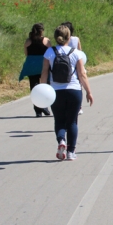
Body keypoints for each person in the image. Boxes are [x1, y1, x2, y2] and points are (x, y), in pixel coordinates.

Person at [40, 25, 94, 161]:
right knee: (72, 122)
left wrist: (41, 90)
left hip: (56, 92)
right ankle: (71, 152)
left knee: (59, 120)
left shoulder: (49, 53)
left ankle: (61, 141)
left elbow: (44, 73)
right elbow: (82, 74)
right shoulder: (76, 53)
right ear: (69, 38)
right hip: (74, 90)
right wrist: (88, 91)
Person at [21, 23, 52, 117]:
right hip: (43, 64)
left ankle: (37, 110)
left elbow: (26, 54)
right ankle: (44, 106)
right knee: (45, 86)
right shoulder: (46, 40)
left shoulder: (28, 41)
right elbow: (51, 53)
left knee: (34, 87)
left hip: (31, 65)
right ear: (42, 31)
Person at [62, 21, 85, 114]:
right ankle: (79, 106)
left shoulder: (61, 40)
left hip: (64, 64)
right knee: (78, 85)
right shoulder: (76, 39)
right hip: (75, 63)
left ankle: (66, 105)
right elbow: (80, 51)